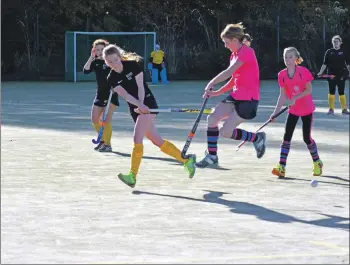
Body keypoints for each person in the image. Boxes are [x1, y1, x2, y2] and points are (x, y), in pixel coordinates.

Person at [102, 44, 196, 188]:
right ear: (106, 63)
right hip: (134, 107)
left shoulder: (132, 65)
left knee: (137, 137)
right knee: (156, 140)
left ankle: (132, 176)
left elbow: (141, 86)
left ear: (119, 57)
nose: (113, 64)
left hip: (147, 101)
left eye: (115, 60)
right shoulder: (111, 78)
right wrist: (138, 106)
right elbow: (126, 95)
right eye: (109, 62)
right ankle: (186, 160)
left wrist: (142, 104)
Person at [195, 23, 266, 168]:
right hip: (236, 96)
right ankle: (212, 156)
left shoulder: (247, 52)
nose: (226, 46)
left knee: (226, 132)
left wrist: (211, 82)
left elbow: (228, 72)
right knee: (212, 118)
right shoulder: (234, 55)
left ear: (235, 40)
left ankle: (256, 138)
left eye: (227, 42)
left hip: (248, 101)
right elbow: (233, 79)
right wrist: (216, 92)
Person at [271, 47, 323, 178]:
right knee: (286, 137)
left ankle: (317, 162)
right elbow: (282, 95)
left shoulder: (303, 72)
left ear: (296, 59)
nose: (287, 60)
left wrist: (294, 97)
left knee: (306, 138)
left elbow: (308, 90)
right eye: (285, 57)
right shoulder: (281, 75)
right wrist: (275, 113)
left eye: (290, 57)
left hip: (306, 109)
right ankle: (282, 166)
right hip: (293, 110)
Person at [83, 39, 119, 152]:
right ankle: (103, 141)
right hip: (99, 95)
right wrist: (91, 57)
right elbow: (85, 70)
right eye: (97, 49)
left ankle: (108, 145)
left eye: (102, 49)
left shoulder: (112, 61)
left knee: (105, 121)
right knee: (95, 120)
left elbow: (120, 74)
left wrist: (116, 86)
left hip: (111, 95)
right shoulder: (95, 62)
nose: (99, 51)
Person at [317, 35, 350, 115]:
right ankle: (331, 109)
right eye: (334, 42)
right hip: (331, 75)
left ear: (340, 43)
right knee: (331, 92)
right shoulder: (329, 52)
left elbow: (348, 64)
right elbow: (324, 64)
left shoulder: (344, 52)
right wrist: (320, 72)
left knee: (341, 92)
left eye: (337, 42)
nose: (335, 43)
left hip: (341, 75)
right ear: (332, 43)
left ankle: (344, 109)